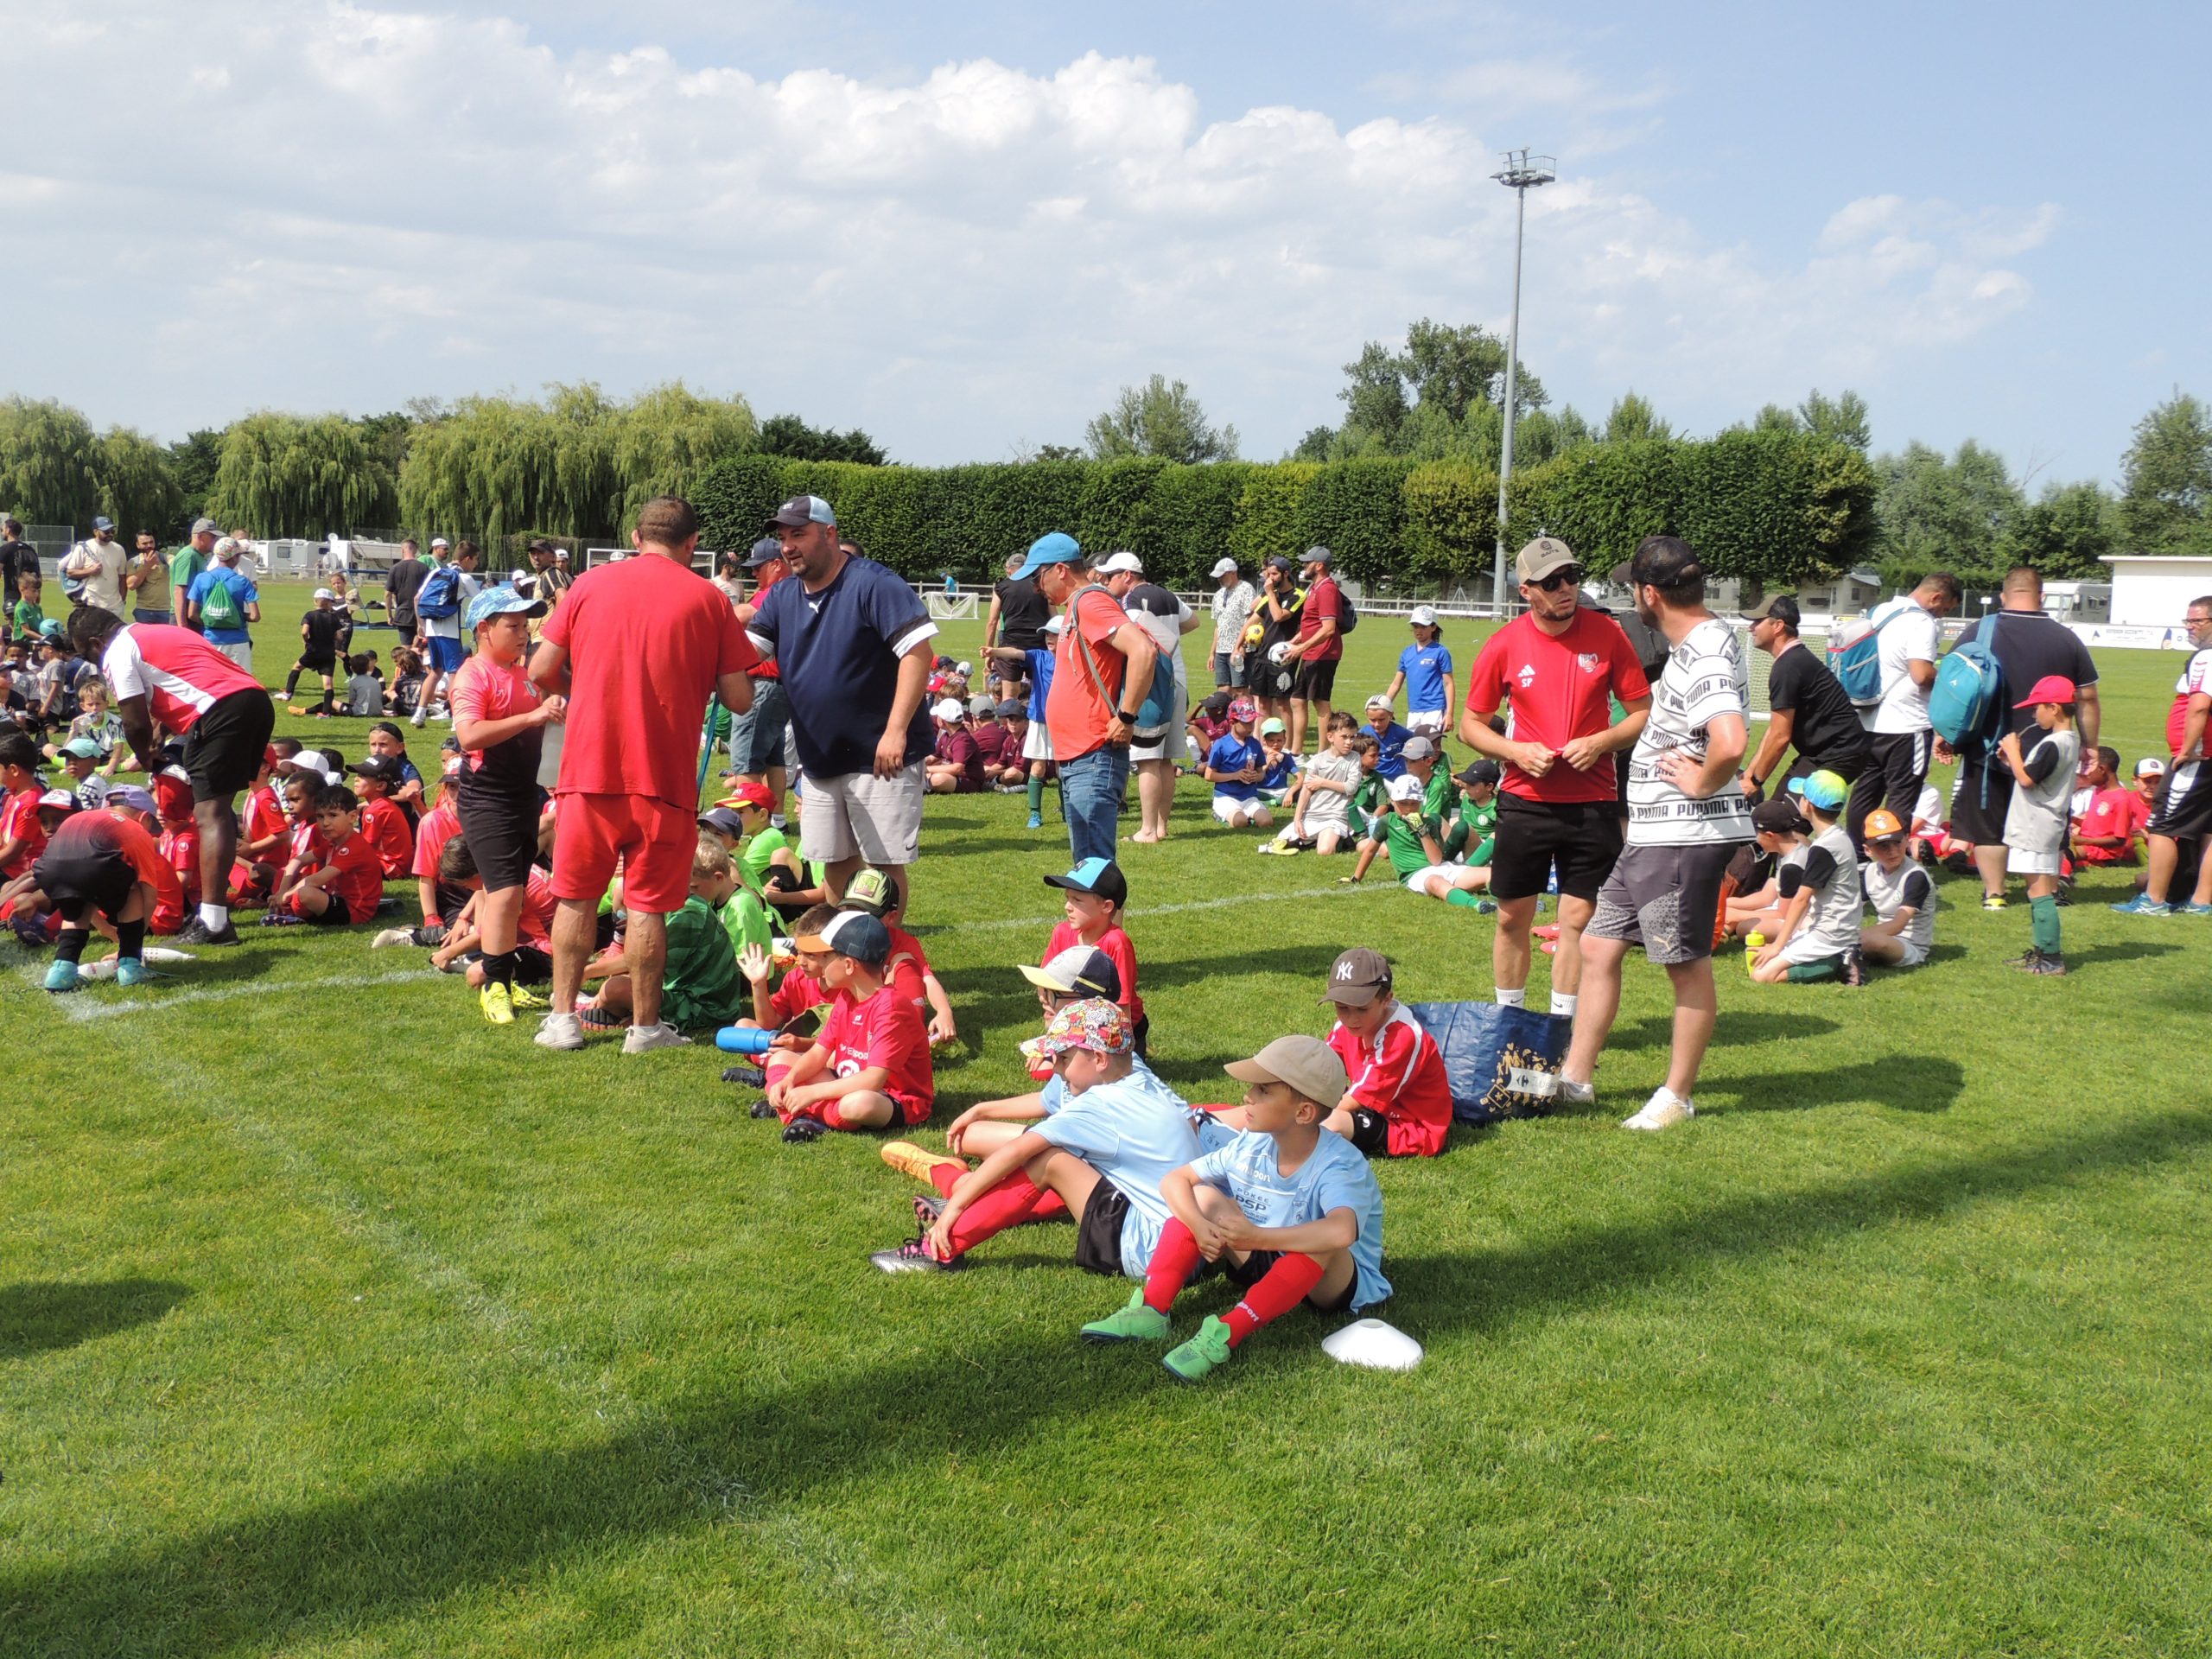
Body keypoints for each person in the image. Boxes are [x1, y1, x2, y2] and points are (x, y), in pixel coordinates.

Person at [532, 496, 754, 1054]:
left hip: (589, 770)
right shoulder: (710, 598)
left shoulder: (587, 584)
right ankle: (646, 1029)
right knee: (649, 906)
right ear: (692, 544)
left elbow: (540, 669)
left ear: (636, 537)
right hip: (663, 778)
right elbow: (739, 699)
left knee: (576, 897)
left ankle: (562, 1019)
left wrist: (585, 693)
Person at [1557, 536, 1752, 1132]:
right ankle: (1575, 1079)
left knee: (1684, 964)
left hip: (1682, 837)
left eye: (1631, 590)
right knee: (1598, 946)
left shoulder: (1706, 649)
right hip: (1653, 836)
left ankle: (1677, 1096)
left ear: (1650, 593)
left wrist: (1700, 782)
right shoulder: (1698, 643)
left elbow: (1730, 741)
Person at [1079, 1035, 1388, 1382]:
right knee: (1201, 1197)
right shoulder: (1252, 1142)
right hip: (1268, 1255)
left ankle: (1226, 1333)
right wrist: (1198, 1226)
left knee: (1322, 1244)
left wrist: (1256, 1237)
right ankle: (1152, 1310)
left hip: (1330, 1284)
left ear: (1303, 1112)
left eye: (1263, 1090)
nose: (1248, 1096)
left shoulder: (1339, 1164)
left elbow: (1342, 1232)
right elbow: (1175, 1180)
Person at [1461, 537, 1652, 1019]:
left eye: (1571, 576)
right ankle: (1510, 1020)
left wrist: (1601, 742)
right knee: (1511, 918)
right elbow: (1470, 726)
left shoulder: (1608, 634)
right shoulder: (1504, 644)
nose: (1565, 588)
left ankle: (1562, 1025)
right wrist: (1516, 752)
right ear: (1526, 590)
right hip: (1525, 801)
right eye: (1551, 582)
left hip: (1593, 802)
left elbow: (1641, 712)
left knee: (1578, 920)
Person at [871, 998, 1201, 1277]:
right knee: (1067, 1156)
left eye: (1064, 1059)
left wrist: (955, 1210)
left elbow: (1017, 1151)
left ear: (1100, 1059)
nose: (1055, 1069)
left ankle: (939, 1249)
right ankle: (960, 1196)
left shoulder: (1099, 1104)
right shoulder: (1141, 1083)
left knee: (1048, 1159)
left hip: (1153, 1253)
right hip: (1194, 1247)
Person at [745, 496, 934, 915]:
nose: (788, 546)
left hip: (879, 755)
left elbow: (918, 654)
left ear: (829, 534)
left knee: (883, 866)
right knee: (833, 862)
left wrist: (895, 731)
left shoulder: (874, 583)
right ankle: (841, 943)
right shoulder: (782, 596)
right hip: (820, 758)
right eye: (783, 537)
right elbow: (746, 653)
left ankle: (882, 949)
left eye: (798, 534)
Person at [68, 604, 276, 947]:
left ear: (95, 643)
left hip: (219, 711)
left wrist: (144, 757)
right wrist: (161, 732)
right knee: (218, 810)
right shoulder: (163, 631)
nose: (96, 664)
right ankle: (213, 913)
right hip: (254, 701)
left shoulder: (117, 651)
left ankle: (213, 923)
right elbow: (189, 682)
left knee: (210, 814)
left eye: (88, 655)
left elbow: (133, 721)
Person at [1945, 568, 2100, 910]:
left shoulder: (1978, 630)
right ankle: (2049, 889)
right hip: (2049, 748)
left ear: (2003, 596)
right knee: (2048, 820)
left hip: (1988, 745)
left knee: (1988, 824)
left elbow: (1952, 686)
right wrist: (2090, 745)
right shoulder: (2066, 638)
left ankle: (1994, 894)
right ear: (2041, 596)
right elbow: (2087, 696)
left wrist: (1947, 733)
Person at [449, 583, 565, 1024]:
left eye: (524, 626)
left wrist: (552, 709)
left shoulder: (522, 674)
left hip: (524, 794)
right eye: (513, 626)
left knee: (513, 895)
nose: (523, 634)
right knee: (504, 893)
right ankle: (494, 985)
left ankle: (506, 979)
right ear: (484, 629)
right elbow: (469, 736)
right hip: (487, 797)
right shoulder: (473, 675)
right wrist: (533, 716)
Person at [1011, 532, 1159, 866]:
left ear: (1060, 570)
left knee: (1093, 865)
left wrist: (1126, 717)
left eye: (1038, 577)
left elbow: (1143, 650)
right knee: (1088, 864)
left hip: (1093, 753)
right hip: (1079, 755)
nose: (1036, 588)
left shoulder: (1090, 602)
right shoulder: (1076, 607)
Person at [766, 910, 934, 1142]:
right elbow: (819, 1052)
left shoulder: (891, 1007)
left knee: (857, 1105)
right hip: (848, 1082)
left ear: (848, 965)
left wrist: (812, 1092)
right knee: (781, 1059)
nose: (820, 963)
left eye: (826, 957)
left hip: (893, 1098)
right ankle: (798, 1108)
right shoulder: (847, 997)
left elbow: (873, 1080)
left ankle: (799, 1112)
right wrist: (790, 1080)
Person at [1844, 571, 1961, 849]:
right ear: (1936, 597)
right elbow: (1920, 674)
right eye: (1945, 609)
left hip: (1869, 720)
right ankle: (1892, 863)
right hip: (1907, 725)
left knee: (1865, 795)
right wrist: (1947, 677)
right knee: (1902, 798)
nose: (1941, 616)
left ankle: (1857, 857)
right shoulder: (1922, 621)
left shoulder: (1879, 611)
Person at [574, 856, 747, 1040]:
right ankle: (611, 1015)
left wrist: (587, 972)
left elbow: (644, 960)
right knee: (615, 988)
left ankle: (605, 1012)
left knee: (615, 988)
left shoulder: (688, 916)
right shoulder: (684, 904)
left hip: (704, 1007)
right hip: (685, 992)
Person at [2113, 594, 2212, 917]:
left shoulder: (2206, 657)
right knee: (2208, 829)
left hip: (2198, 759)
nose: (2190, 626)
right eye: (2188, 620)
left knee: (2162, 825)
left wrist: (2186, 750)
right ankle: (2201, 901)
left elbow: (2199, 705)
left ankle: (2154, 900)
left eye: (2197, 620)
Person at [1317, 947, 1452, 1158]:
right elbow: (1322, 1066)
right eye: (1342, 1008)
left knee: (1329, 1122)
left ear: (1387, 999)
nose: (1351, 1018)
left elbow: (1359, 1098)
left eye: (1362, 1009)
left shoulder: (1402, 1036)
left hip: (1410, 1127)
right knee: (1294, 1101)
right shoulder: (1347, 1026)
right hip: (1370, 1109)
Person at [27, 796, 171, 991]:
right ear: (144, 820)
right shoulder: (138, 832)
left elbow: (82, 886)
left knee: (78, 905)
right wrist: (132, 944)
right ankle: (130, 967)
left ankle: (61, 971)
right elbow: (150, 896)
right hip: (91, 867)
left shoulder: (83, 819)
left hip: (49, 870)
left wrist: (107, 931)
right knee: (134, 890)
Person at [1103, 551, 1198, 845]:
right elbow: (1193, 622)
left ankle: (1147, 830)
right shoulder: (1168, 595)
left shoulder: (1129, 601)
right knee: (1166, 760)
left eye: (1110, 576)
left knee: (1147, 760)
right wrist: (1169, 635)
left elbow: (1139, 642)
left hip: (1152, 684)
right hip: (1178, 680)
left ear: (1127, 576)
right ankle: (1160, 826)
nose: (1107, 582)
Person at [1739, 594, 1870, 799]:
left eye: (1757, 622)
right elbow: (1775, 730)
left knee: (1778, 817)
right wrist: (1749, 774)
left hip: (1838, 755)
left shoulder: (1788, 666)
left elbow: (1781, 737)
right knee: (1773, 812)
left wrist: (1755, 782)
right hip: (1822, 754)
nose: (1751, 628)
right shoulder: (1791, 660)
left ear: (1778, 626)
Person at [1997, 675, 2082, 974]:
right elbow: (2035, 775)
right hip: (2045, 824)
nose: (2034, 715)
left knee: (2039, 892)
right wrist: (2012, 761)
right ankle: (2042, 952)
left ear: (2054, 708)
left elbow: (2027, 780)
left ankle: (2050, 958)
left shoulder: (2055, 743)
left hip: (2036, 827)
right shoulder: (2068, 741)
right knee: (2039, 890)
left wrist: (2013, 751)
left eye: (2037, 708)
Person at [1747, 771, 1863, 984]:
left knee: (1762, 975)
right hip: (1835, 927)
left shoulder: (1824, 848)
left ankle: (1839, 962)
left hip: (1831, 934)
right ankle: (1839, 954)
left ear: (1807, 804)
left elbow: (1801, 899)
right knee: (1763, 962)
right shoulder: (1838, 836)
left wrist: (1778, 945)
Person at [1041, 856, 1145, 1053]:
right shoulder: (1061, 932)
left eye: (1077, 900)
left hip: (1114, 1030)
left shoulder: (1116, 943)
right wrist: (1052, 1036)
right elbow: (1044, 984)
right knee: (1045, 1067)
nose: (1067, 906)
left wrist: (1120, 1053)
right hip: (1073, 1024)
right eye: (1067, 898)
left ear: (1106, 906)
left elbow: (1122, 1008)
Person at [726, 536, 793, 823]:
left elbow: (743, 615)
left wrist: (710, 610)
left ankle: (746, 824)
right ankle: (775, 821)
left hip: (763, 685)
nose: (753, 573)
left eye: (758, 567)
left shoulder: (777, 591)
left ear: (777, 565)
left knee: (746, 760)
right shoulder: (787, 590)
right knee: (773, 758)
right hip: (776, 686)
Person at [267, 785, 384, 927]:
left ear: (352, 817)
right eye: (320, 816)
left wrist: (286, 895)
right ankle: (290, 912)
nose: (325, 823)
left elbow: (317, 880)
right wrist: (282, 890)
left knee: (305, 893)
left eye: (333, 815)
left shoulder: (353, 846)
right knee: (285, 874)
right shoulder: (333, 843)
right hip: (335, 898)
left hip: (354, 910)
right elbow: (298, 860)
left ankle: (294, 915)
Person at [1277, 545, 1344, 753]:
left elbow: (1328, 629)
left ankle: (1323, 753)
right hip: (1311, 652)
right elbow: (1311, 625)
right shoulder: (1315, 588)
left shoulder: (1327, 589)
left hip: (1324, 654)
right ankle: (1296, 752)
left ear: (1319, 565)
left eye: (1308, 562)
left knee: (1320, 703)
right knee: (1297, 700)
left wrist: (1300, 648)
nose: (1304, 566)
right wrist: (1293, 642)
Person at [1269, 709, 1361, 855]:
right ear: (1330, 737)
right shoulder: (1318, 760)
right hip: (1312, 815)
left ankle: (1341, 839)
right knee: (1279, 841)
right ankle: (1314, 839)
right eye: (1344, 737)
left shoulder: (1354, 758)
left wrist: (1322, 782)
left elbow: (1351, 788)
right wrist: (1298, 819)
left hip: (1335, 816)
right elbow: (1306, 790)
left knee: (1324, 851)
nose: (1349, 742)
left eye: (1352, 737)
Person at [410, 538, 481, 728]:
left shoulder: (436, 571)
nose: (476, 564)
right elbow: (481, 601)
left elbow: (417, 598)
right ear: (467, 559)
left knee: (435, 672)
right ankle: (456, 719)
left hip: (431, 628)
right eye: (476, 560)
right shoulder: (464, 578)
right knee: (454, 674)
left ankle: (419, 714)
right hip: (450, 632)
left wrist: (420, 625)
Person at [1857, 809, 1936, 969]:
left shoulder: (1915, 876)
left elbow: (1898, 925)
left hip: (1908, 945)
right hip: (1880, 935)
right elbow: (1853, 907)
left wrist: (1855, 938)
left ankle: (1852, 952)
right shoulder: (1870, 871)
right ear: (1868, 850)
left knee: (1875, 942)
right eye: (1883, 846)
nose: (1893, 851)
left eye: (1897, 842)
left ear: (1907, 840)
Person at [185, 537, 261, 672]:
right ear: (234, 557)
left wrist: (212, 619)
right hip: (238, 641)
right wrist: (236, 616)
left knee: (213, 678)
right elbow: (255, 616)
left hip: (211, 640)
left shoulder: (201, 579)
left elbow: (191, 614)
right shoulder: (242, 582)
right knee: (240, 679)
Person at [985, 550, 1052, 702]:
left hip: (1011, 644)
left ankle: (1010, 717)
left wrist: (990, 650)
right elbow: (1053, 616)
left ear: (1009, 569)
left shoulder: (1002, 586)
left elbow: (992, 622)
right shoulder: (1040, 585)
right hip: (1038, 643)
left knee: (1009, 696)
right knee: (1040, 693)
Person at [1384, 606, 1455, 738]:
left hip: (1434, 709)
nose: (1418, 630)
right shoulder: (1407, 653)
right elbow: (1396, 684)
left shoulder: (1440, 652)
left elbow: (1449, 684)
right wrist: (1385, 705)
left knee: (1430, 746)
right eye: (1415, 626)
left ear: (1433, 627)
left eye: (1423, 626)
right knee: (1413, 746)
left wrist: (1449, 714)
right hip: (1414, 710)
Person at [1201, 696, 1270, 830]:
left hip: (1249, 797)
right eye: (1247, 723)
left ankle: (1246, 815)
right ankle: (1220, 814)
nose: (1251, 726)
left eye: (1253, 722)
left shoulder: (1255, 744)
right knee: (1240, 822)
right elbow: (1209, 775)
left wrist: (1257, 777)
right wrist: (1235, 775)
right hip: (1226, 797)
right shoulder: (1221, 744)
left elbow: (1261, 773)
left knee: (1266, 822)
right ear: (1232, 722)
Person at [2072, 747, 2147, 868]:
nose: (2085, 772)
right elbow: (2096, 826)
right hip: (2088, 845)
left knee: (2063, 853)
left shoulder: (2122, 799)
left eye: (2088, 767)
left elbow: (2119, 839)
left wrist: (2083, 840)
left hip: (2103, 852)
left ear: (2101, 769)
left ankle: (2064, 876)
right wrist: (2071, 819)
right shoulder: (2098, 790)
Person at [283, 588, 353, 716]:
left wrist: (306, 641)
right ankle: (326, 713)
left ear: (316, 601)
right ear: (329, 603)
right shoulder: (333, 618)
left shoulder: (310, 615)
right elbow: (340, 636)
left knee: (297, 667)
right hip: (329, 653)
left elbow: (304, 632)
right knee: (328, 684)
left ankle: (288, 693)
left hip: (313, 650)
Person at [345, 756, 415, 878]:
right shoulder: (384, 805)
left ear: (381, 786)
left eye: (363, 776)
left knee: (341, 859)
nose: (356, 779)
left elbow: (366, 847)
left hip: (389, 867)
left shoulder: (375, 810)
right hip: (399, 865)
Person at [1200, 557, 1255, 690]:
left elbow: (1251, 621)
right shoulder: (1218, 595)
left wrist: (1242, 646)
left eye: (1222, 575)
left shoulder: (1246, 589)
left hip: (1239, 650)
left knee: (1241, 690)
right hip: (1221, 651)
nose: (1219, 579)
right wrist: (1212, 653)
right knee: (1223, 690)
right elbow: (1218, 626)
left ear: (1233, 572)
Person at [67, 518, 130, 614]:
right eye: (106, 532)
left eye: (112, 531)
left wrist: (122, 599)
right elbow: (70, 572)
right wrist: (90, 571)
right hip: (91, 603)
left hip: (115, 605)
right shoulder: (83, 548)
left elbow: (122, 577)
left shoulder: (119, 549)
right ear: (95, 532)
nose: (110, 534)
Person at [924, 696, 985, 793]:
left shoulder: (962, 739)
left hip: (968, 780)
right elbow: (933, 757)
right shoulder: (946, 735)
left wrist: (927, 769)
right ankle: (924, 784)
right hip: (953, 776)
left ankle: (924, 786)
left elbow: (957, 768)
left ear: (942, 721)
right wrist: (918, 765)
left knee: (938, 779)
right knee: (928, 775)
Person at [169, 518, 218, 634]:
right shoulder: (189, 556)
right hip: (186, 618)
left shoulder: (198, 556)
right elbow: (179, 591)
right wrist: (182, 626)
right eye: (212, 536)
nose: (215, 540)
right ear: (200, 536)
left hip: (193, 616)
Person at [1359, 694, 1414, 780]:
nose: (1377, 724)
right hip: (1375, 779)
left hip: (1398, 779)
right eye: (1372, 720)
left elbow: (1415, 742)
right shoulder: (1364, 733)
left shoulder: (1400, 732)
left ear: (1391, 715)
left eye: (1381, 720)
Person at [385, 538, 427, 643]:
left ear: (402, 550)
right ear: (415, 550)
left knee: (406, 648)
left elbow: (388, 594)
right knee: (422, 647)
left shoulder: (394, 568)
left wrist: (389, 615)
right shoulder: (424, 568)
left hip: (403, 615)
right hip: (421, 614)